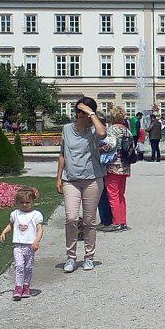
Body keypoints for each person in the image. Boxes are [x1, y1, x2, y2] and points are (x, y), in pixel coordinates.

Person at [56, 96, 107, 272]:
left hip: (92, 179)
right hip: (71, 179)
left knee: (89, 221)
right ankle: (71, 257)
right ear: (77, 113)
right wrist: (58, 177)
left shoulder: (94, 130)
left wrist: (92, 114)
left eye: (86, 114)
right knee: (71, 218)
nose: (83, 117)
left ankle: (89, 257)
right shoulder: (66, 129)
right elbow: (63, 154)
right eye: (81, 113)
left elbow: (103, 134)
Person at [0, 186, 45, 301]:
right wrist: (4, 232)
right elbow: (11, 224)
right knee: (19, 266)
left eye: (27, 202)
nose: (25, 205)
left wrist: (36, 241)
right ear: (18, 202)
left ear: (32, 201)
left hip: (30, 246)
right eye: (22, 202)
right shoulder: (15, 214)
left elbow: (40, 229)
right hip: (18, 245)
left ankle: (26, 286)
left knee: (28, 267)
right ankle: (18, 287)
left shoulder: (36, 215)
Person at [102, 105, 132, 232]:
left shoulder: (111, 130)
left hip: (113, 165)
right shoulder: (127, 130)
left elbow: (109, 146)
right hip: (125, 165)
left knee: (113, 194)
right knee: (121, 195)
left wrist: (99, 149)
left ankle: (116, 222)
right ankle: (123, 221)